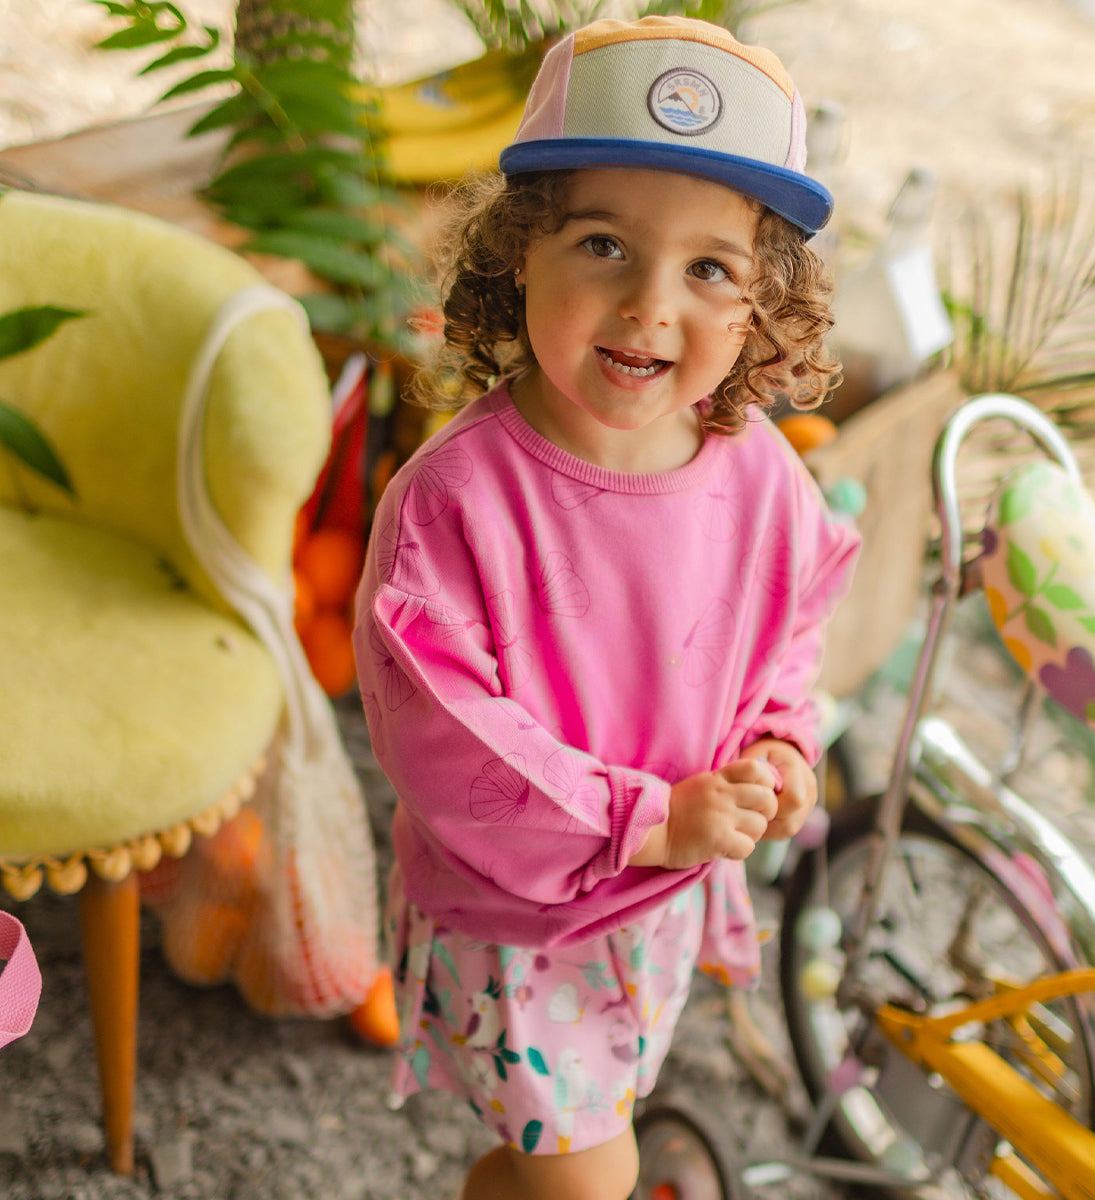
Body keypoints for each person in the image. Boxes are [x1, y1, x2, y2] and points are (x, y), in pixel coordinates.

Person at [352, 16, 860, 1199]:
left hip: (665, 897)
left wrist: (782, 743)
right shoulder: (456, 501)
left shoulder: (759, 471)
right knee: (582, 1178)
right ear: (516, 254)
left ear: (758, 305)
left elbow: (790, 626)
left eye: (710, 268)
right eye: (602, 244)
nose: (649, 305)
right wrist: (651, 819)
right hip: (521, 921)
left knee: (556, 1162)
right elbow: (445, 740)